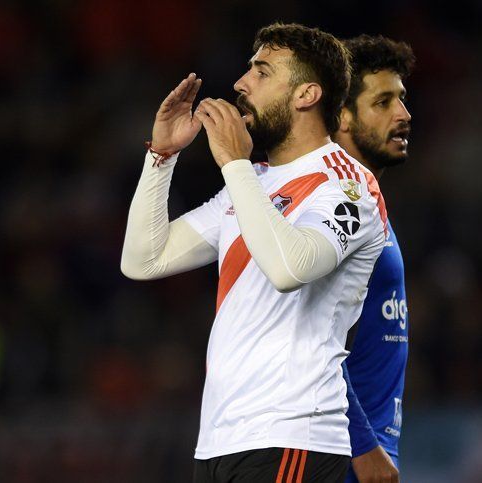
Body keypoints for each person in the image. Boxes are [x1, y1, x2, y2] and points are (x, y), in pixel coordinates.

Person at [121, 22, 387, 483]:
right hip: (221, 439)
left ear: (306, 95)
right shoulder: (251, 183)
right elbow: (143, 260)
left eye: (262, 72)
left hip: (291, 435)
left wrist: (234, 163)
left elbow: (289, 269)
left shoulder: (347, 185)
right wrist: (161, 156)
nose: (241, 83)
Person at [332, 35, 414, 483]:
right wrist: (364, 447)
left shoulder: (364, 199)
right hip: (341, 457)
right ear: (342, 116)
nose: (403, 114)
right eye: (383, 102)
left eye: (401, 99)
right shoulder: (335, 205)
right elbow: (311, 341)